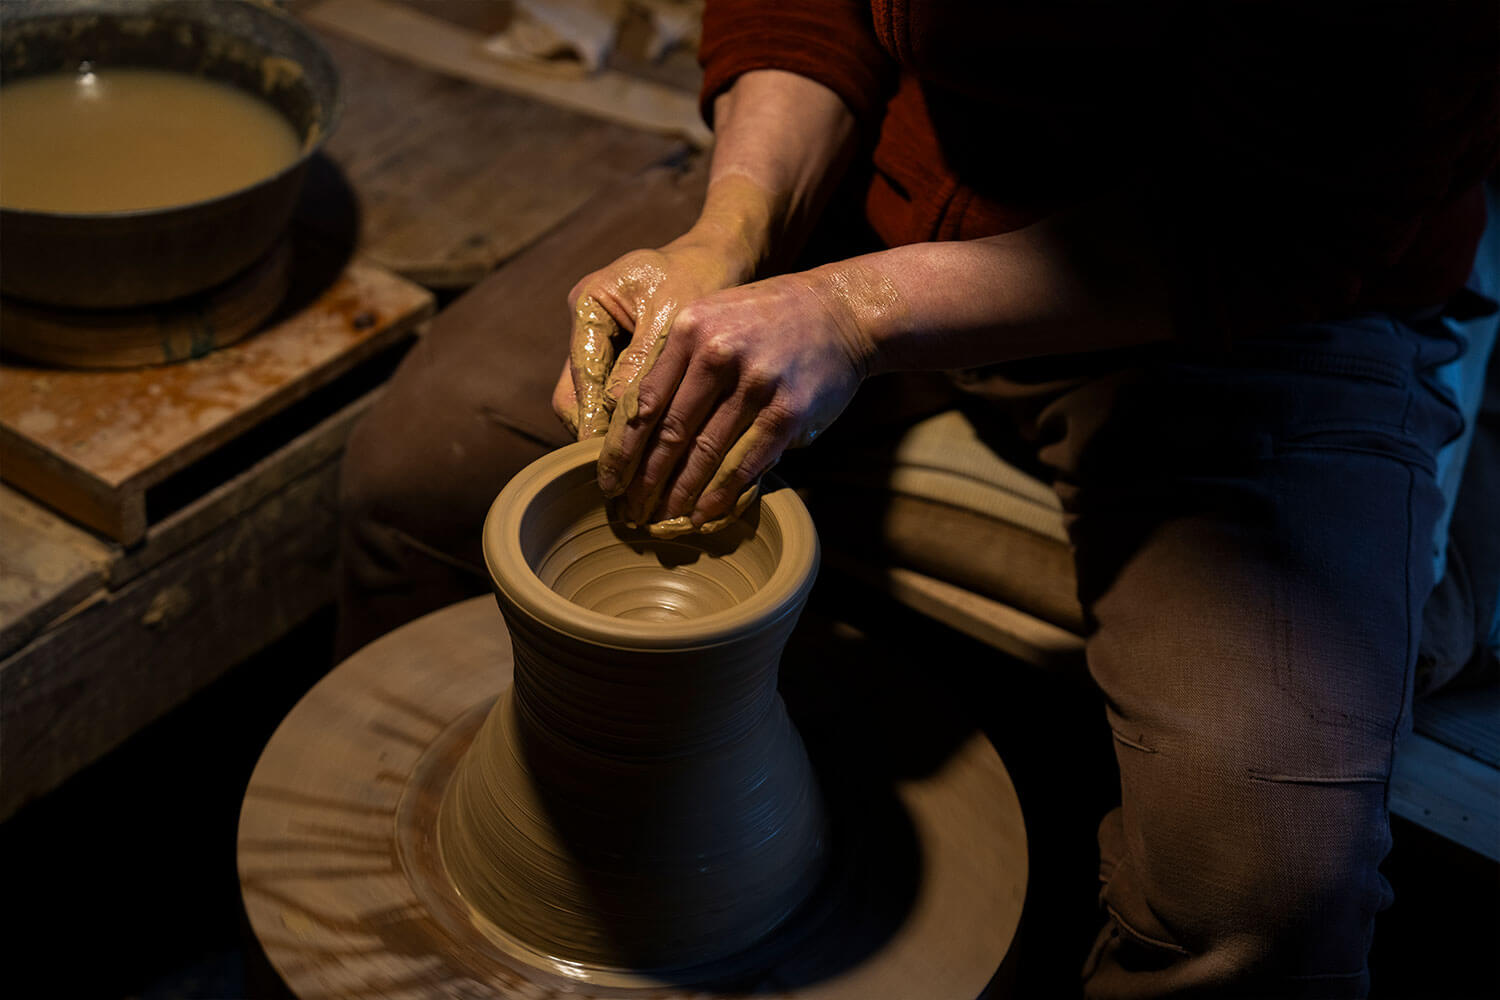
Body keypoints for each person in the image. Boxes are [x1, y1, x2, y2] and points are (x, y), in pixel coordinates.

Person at [337, 2, 1500, 995]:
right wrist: (731, 231)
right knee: (423, 473)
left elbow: (1286, 224)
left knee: (1260, 878)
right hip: (895, 174)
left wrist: (850, 317)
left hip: (1244, 289)